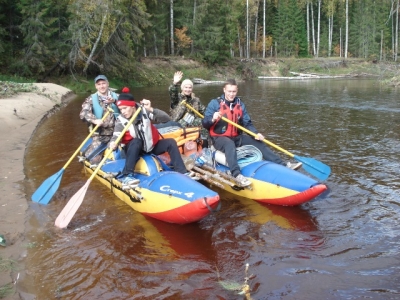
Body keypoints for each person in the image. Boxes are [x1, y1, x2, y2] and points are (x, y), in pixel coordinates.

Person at [202, 79, 302, 187]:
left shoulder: (240, 105)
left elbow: (247, 123)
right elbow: (204, 123)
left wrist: (255, 133)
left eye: (234, 91)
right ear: (224, 90)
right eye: (229, 91)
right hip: (218, 138)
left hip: (236, 137)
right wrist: (212, 118)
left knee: (257, 142)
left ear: (237, 91)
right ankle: (236, 174)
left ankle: (283, 165)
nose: (231, 94)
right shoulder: (214, 104)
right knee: (229, 144)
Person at [109, 88, 192, 187]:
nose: (123, 112)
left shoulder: (144, 111)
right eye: (120, 109)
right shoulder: (121, 120)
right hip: (134, 150)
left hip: (150, 147)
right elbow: (116, 136)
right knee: (136, 141)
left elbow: (166, 119)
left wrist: (151, 109)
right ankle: (127, 174)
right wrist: (113, 143)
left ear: (132, 106)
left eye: (125, 108)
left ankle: (182, 171)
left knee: (170, 142)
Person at [79, 75, 120, 164]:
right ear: (96, 86)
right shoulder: (91, 99)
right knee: (93, 160)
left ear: (108, 84)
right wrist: (94, 120)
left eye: (103, 83)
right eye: (99, 84)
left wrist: (115, 102)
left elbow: (131, 107)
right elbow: (83, 114)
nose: (102, 86)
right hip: (100, 136)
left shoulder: (117, 96)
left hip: (118, 133)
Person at [168, 71, 209, 147]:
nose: (188, 89)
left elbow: (205, 111)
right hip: (178, 124)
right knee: (200, 122)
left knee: (206, 122)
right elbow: (172, 93)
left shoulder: (196, 100)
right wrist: (175, 83)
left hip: (193, 123)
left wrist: (213, 116)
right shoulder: (177, 99)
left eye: (190, 87)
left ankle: (206, 145)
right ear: (182, 88)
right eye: (186, 87)